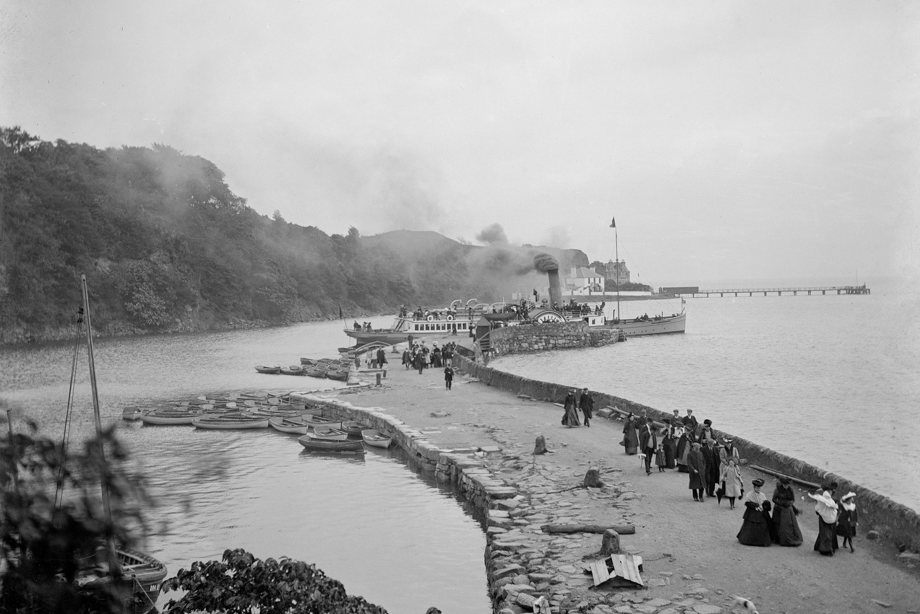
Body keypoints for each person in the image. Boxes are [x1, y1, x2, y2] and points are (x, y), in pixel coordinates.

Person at [807, 481, 839, 556]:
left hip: (823, 517)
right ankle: (827, 549)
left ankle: (819, 546)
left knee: (823, 533)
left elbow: (819, 507)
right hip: (827, 518)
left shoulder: (823, 496)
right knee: (827, 534)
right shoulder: (827, 497)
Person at [737, 478, 772, 546]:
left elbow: (764, 503)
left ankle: (761, 540)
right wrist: (755, 506)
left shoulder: (762, 495)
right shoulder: (750, 494)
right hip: (752, 512)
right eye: (756, 487)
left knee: (764, 523)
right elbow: (747, 503)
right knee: (750, 525)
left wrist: (763, 506)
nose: (758, 489)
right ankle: (749, 540)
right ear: (754, 487)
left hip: (761, 511)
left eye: (759, 488)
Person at [770, 476, 803, 546]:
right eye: (785, 485)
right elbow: (774, 499)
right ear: (782, 484)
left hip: (787, 509)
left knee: (788, 524)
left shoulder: (790, 490)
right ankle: (777, 539)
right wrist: (781, 503)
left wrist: (789, 503)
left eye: (787, 485)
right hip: (778, 508)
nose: (786, 486)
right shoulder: (777, 489)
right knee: (777, 524)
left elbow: (792, 499)